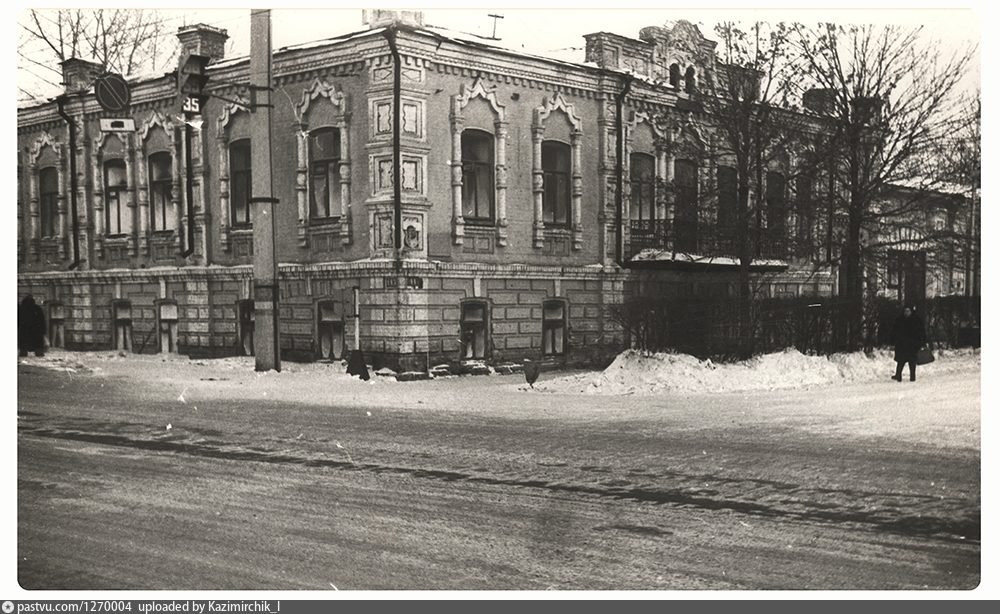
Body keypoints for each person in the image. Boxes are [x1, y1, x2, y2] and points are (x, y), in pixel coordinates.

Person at [891, 304, 925, 382]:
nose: (906, 313)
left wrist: (920, 342)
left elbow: (921, 332)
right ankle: (898, 375)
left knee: (912, 362)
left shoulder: (916, 320)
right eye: (905, 311)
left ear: (911, 311)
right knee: (901, 361)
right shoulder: (900, 320)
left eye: (908, 311)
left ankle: (912, 376)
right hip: (902, 344)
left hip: (912, 345)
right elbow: (895, 331)